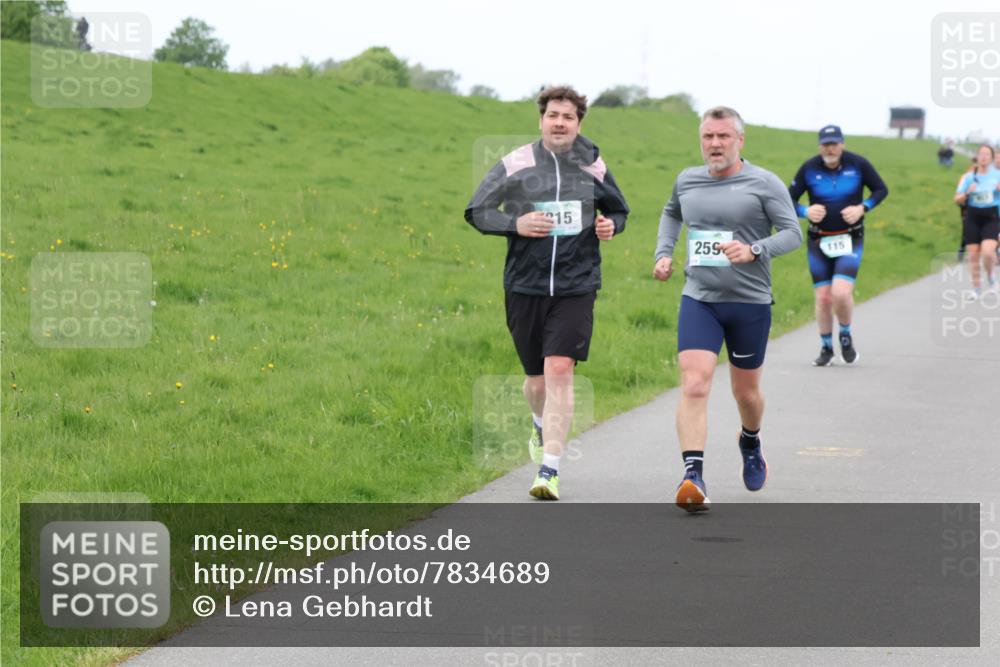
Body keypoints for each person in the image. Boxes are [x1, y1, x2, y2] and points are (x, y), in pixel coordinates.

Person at [465, 85, 629, 500]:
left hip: (576, 285)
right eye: (553, 115)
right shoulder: (517, 163)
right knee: (536, 382)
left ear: (578, 124)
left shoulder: (593, 165)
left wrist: (610, 225)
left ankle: (549, 469)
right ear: (541, 120)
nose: (560, 123)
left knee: (559, 370)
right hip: (525, 284)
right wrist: (514, 225)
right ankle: (539, 425)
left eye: (568, 117)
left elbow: (619, 209)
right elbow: (477, 210)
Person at [653, 106, 802, 513]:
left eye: (723, 136)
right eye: (708, 137)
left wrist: (755, 249)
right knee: (695, 383)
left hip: (749, 302)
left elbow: (793, 233)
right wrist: (663, 253)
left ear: (740, 140)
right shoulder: (687, 180)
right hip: (700, 298)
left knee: (746, 393)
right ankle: (693, 476)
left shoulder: (764, 183)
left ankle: (750, 440)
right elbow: (671, 213)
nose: (715, 144)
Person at [789, 125, 889, 366]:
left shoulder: (858, 164)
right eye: (825, 144)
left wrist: (862, 208)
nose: (830, 149)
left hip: (850, 239)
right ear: (819, 146)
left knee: (841, 292)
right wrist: (805, 211)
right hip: (818, 241)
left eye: (834, 144)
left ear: (842, 144)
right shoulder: (809, 167)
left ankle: (845, 334)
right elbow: (787, 198)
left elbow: (881, 189)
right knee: (824, 297)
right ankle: (826, 348)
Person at [953, 144, 1000, 299]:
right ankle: (976, 288)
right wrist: (967, 193)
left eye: (987, 154)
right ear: (977, 156)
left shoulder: (998, 175)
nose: (984, 157)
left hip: (991, 217)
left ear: (992, 158)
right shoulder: (968, 177)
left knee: (987, 252)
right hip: (972, 217)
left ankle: (991, 277)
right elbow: (957, 199)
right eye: (981, 154)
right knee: (973, 256)